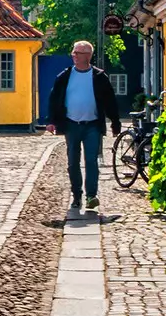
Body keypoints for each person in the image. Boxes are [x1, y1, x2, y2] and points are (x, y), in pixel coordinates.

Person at [47, 39, 123, 215]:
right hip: (71, 124)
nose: (73, 55)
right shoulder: (64, 76)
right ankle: (77, 196)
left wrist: (115, 122)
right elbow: (54, 99)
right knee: (73, 162)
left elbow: (110, 101)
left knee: (91, 161)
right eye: (73, 52)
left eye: (77, 53)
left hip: (92, 125)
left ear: (87, 56)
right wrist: (51, 120)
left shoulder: (99, 77)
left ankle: (91, 196)